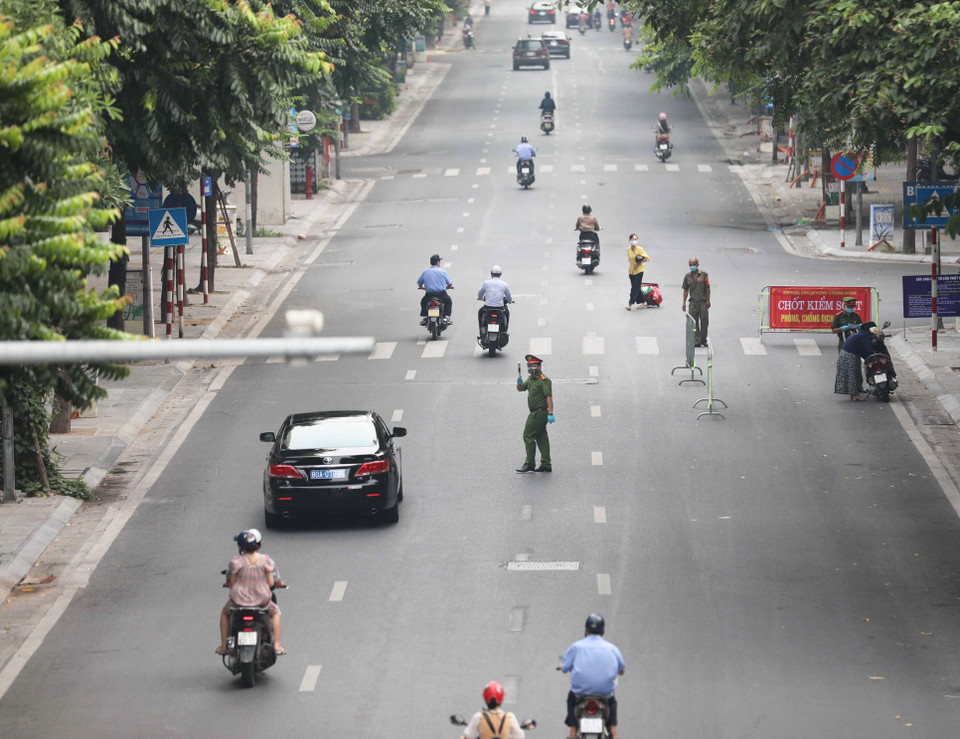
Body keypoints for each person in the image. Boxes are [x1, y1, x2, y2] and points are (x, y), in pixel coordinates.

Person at [217, 529, 285, 656]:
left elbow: (232, 583)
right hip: (261, 601)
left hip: (239, 602)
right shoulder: (266, 560)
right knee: (275, 612)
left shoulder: (236, 561)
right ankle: (277, 645)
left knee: (225, 613)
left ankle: (223, 646)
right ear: (258, 544)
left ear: (241, 547)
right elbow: (271, 583)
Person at [561, 614, 624, 739]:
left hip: (580, 695)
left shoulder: (576, 647)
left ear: (586, 629)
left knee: (570, 699)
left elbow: (564, 668)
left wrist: (563, 665)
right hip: (604, 695)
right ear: (603, 630)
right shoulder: (612, 648)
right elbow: (621, 670)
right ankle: (613, 730)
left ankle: (573, 731)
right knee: (612, 701)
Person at [516, 354, 553, 473]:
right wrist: (519, 383)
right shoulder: (531, 379)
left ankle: (529, 463)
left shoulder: (544, 380)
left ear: (540, 366)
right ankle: (546, 464)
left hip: (539, 413)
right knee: (541, 438)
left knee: (528, 435)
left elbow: (548, 397)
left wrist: (551, 413)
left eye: (534, 365)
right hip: (535, 412)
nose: (532, 367)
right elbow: (521, 389)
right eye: (530, 365)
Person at [459, 681, 526, 739]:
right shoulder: (510, 717)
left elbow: (469, 736)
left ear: (485, 697)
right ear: (502, 697)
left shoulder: (478, 717)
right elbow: (519, 736)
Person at [835, 322, 883, 401]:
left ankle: (854, 394)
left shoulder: (860, 335)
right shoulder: (864, 336)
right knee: (852, 375)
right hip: (848, 355)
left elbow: (861, 351)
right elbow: (868, 350)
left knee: (853, 374)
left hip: (845, 354)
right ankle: (855, 395)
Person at [681, 257, 710, 346]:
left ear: (697, 264)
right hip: (693, 303)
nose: (692, 266)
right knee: (694, 323)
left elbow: (708, 288)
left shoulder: (704, 275)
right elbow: (685, 290)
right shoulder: (687, 276)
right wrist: (684, 302)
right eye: (690, 265)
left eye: (693, 264)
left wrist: (708, 300)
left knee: (704, 322)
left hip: (703, 303)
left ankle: (703, 340)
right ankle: (697, 340)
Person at [418, 254, 454, 325]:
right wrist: (446, 287)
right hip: (442, 295)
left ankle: (425, 317)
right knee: (448, 301)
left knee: (423, 302)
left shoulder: (426, 272)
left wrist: (423, 287)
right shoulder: (443, 271)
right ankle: (446, 317)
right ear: (438, 262)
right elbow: (449, 284)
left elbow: (419, 283)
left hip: (429, 295)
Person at [478, 265, 513, 331]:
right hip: (500, 309)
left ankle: (481, 331)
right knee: (507, 313)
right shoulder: (504, 284)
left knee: (480, 312)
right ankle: (505, 331)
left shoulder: (486, 283)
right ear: (500, 274)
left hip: (487, 308)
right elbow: (509, 298)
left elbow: (480, 295)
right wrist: (510, 301)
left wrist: (480, 298)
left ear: (491, 274)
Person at [626, 234, 649, 310]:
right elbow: (630, 259)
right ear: (630, 240)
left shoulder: (640, 249)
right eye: (633, 239)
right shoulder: (628, 249)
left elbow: (646, 258)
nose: (634, 241)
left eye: (636, 239)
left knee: (634, 288)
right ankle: (644, 302)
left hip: (639, 271)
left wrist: (638, 263)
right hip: (632, 271)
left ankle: (630, 304)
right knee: (637, 287)